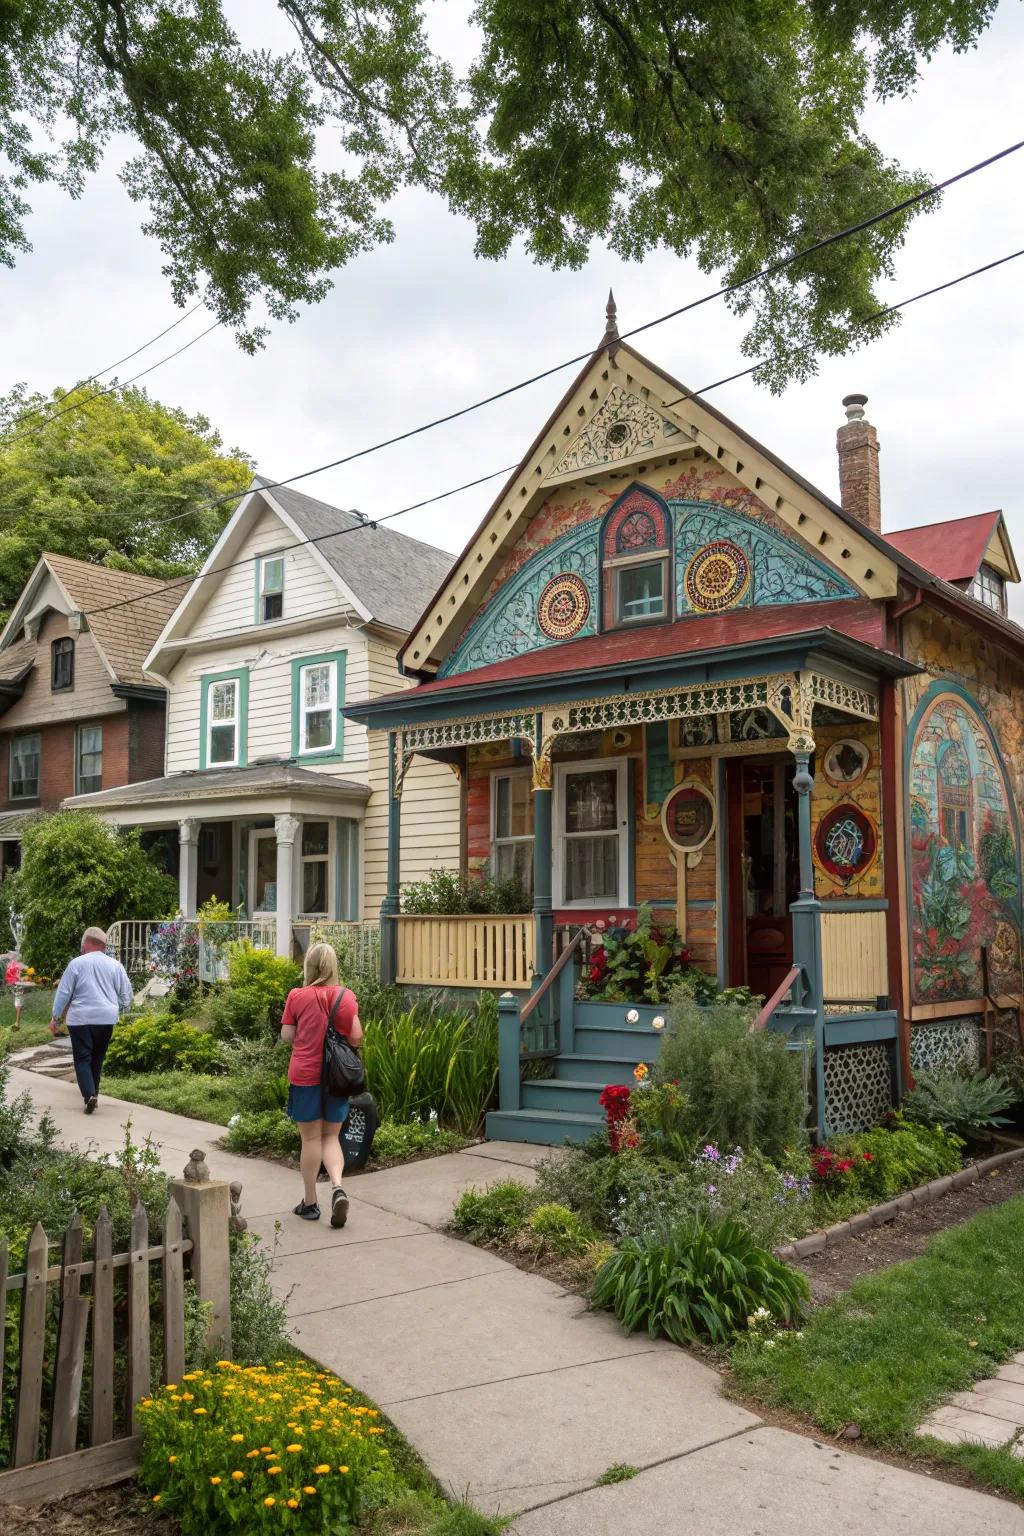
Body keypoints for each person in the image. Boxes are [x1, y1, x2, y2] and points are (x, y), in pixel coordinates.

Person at [280, 941, 362, 1226]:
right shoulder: (346, 996)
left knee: (311, 1139)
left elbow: (287, 1036)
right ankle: (337, 1187)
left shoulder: (297, 995)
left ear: (309, 966)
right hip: (336, 1079)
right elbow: (356, 1037)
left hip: (305, 1076)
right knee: (331, 1137)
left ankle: (310, 1203)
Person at [50, 926, 134, 1114]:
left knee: (83, 1058)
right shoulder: (115, 965)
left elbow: (64, 992)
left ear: (87, 943)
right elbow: (126, 993)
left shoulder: (76, 964)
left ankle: (89, 1096)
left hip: (80, 1019)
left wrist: (55, 1018)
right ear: (103, 945)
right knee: (97, 1058)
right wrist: (123, 1009)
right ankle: (93, 1094)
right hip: (106, 1018)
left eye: (82, 944)